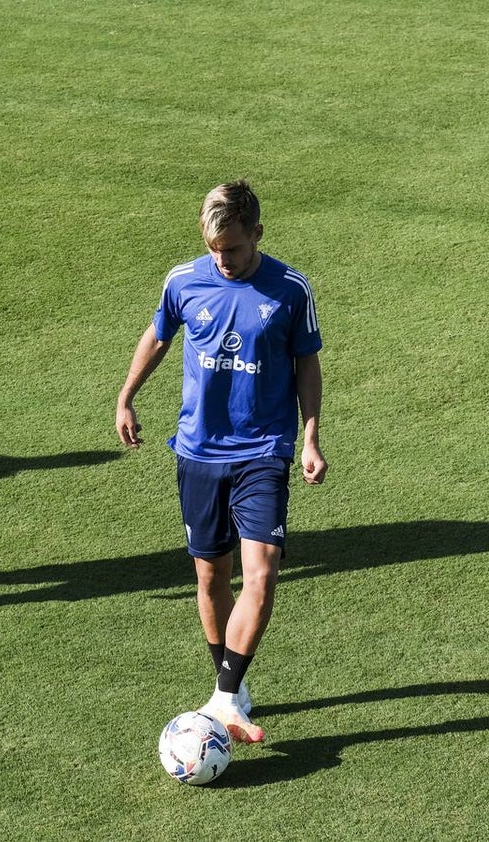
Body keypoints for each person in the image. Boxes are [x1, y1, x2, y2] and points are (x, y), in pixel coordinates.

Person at [115, 180, 327, 743]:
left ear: (256, 233)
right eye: (214, 250)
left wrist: (309, 436)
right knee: (211, 579)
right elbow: (159, 335)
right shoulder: (184, 281)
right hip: (198, 453)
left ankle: (226, 697)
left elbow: (307, 365)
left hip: (263, 451)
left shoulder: (290, 289)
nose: (223, 260)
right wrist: (126, 396)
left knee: (262, 572)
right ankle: (228, 688)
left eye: (232, 248)